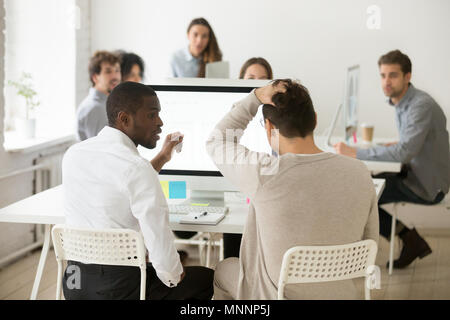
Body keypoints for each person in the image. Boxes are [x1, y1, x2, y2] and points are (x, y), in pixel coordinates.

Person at [207, 79, 379, 299]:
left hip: (275, 296)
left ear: (269, 128)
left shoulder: (265, 172)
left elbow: (217, 141)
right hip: (341, 295)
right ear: (315, 120)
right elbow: (370, 244)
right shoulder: (359, 172)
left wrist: (256, 97)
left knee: (224, 269)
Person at [62, 82, 214, 300]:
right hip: (120, 290)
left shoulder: (74, 154)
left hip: (75, 284)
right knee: (207, 279)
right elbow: (159, 242)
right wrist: (174, 276)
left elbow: (122, 184)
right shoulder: (136, 168)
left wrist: (162, 157)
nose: (160, 123)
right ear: (125, 119)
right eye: (152, 115)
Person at [334, 49, 450, 269]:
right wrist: (396, 145)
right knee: (363, 190)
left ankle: (403, 243)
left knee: (360, 198)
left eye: (393, 75)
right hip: (414, 173)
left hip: (427, 186)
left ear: (408, 77)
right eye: (383, 75)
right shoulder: (403, 101)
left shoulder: (419, 105)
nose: (386, 81)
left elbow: (404, 153)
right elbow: (409, 145)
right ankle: (409, 241)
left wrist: (354, 152)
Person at [222, 57, 275, 259]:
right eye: (250, 78)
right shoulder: (232, 115)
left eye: (262, 79)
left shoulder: (276, 116)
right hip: (237, 185)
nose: (255, 83)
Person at [77, 51, 121, 141]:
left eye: (117, 70)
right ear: (95, 77)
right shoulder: (96, 108)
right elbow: (100, 150)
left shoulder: (107, 103)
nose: (115, 76)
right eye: (108, 71)